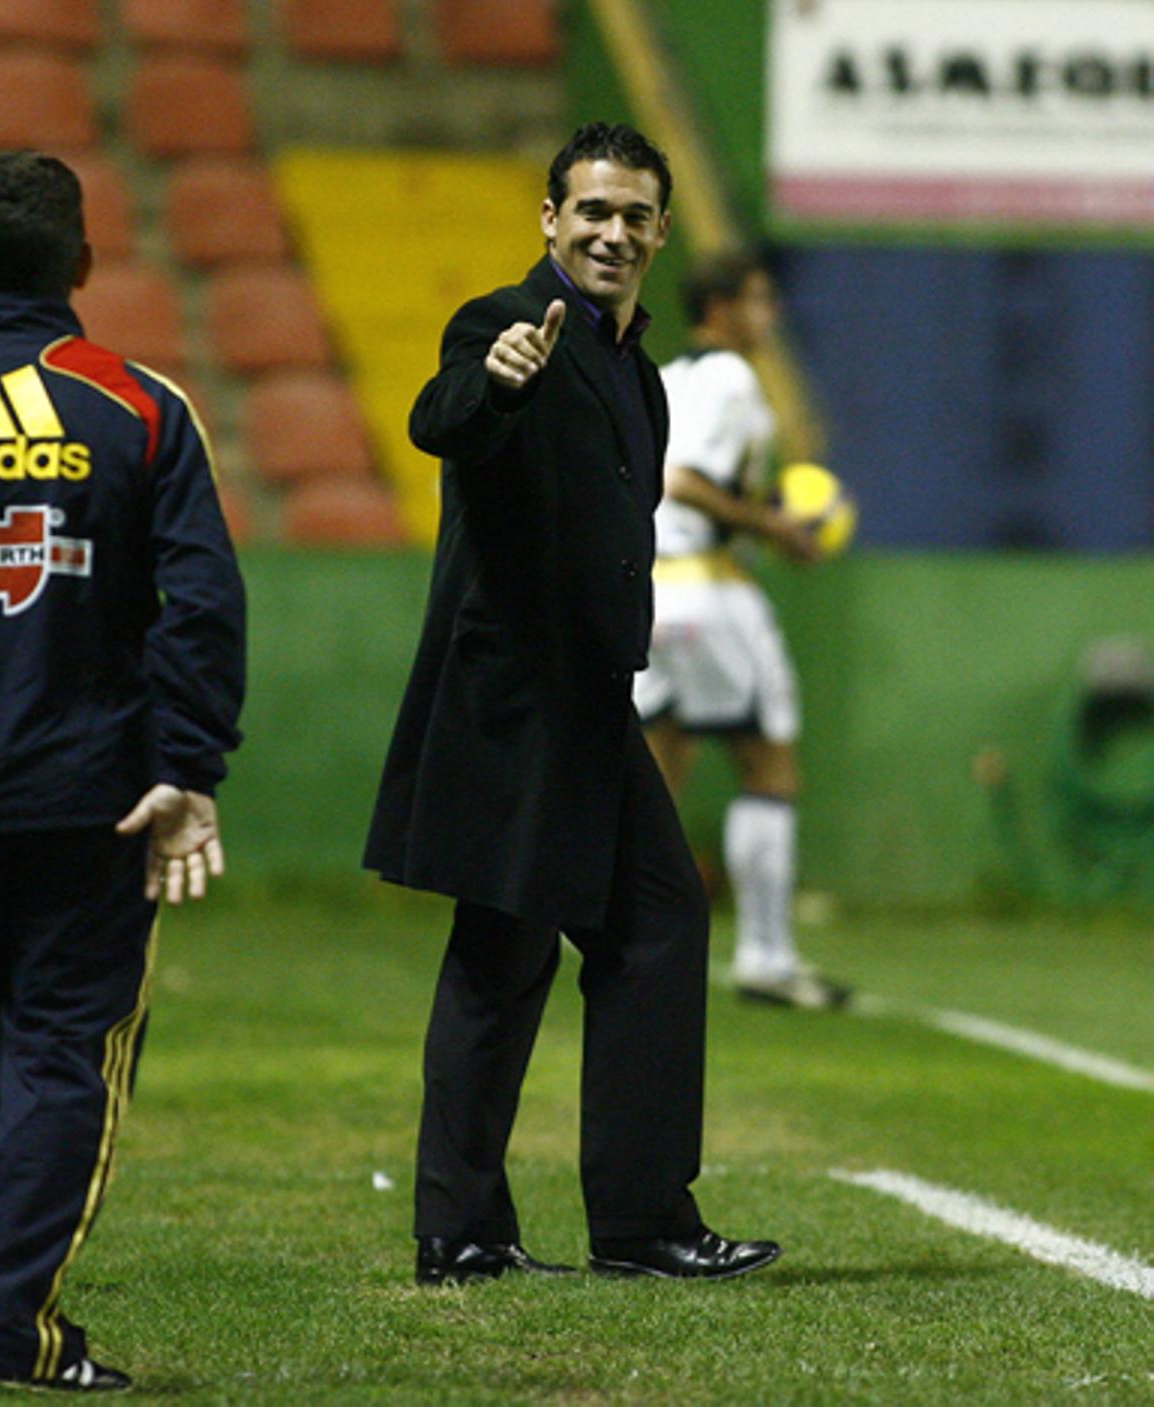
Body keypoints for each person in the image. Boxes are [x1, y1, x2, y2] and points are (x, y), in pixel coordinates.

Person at [364, 123, 782, 1285]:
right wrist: (495, 384)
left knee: (645, 925)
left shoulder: (638, 373)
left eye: (635, 215)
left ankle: (616, 1225)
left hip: (590, 704)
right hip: (514, 702)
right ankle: (476, 1231)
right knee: (508, 955)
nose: (612, 232)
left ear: (660, 231)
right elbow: (444, 418)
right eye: (591, 210)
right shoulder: (504, 325)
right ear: (550, 218)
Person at [0, 152, 245, 1392]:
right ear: (82, 261)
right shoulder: (140, 407)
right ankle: (0, 1330)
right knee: (60, 1057)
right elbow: (202, 607)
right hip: (92, 803)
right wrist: (187, 767)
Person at [633, 250, 850, 1009]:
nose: (771, 314)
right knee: (768, 767)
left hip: (649, 591)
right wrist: (773, 525)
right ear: (721, 307)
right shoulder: (731, 378)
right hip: (708, 590)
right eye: (759, 299)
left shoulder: (667, 378)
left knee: (661, 768)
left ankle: (624, 929)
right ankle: (766, 957)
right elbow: (683, 479)